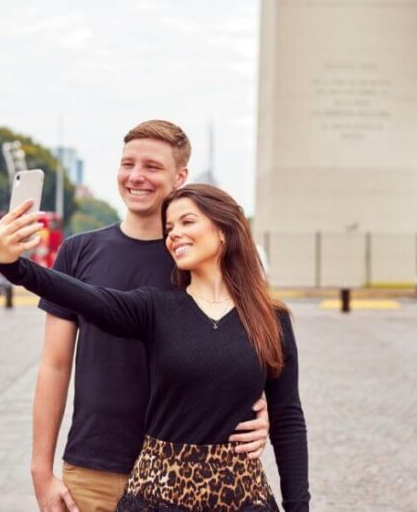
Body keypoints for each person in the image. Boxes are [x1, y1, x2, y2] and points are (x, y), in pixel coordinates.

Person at [0, 184, 309, 511]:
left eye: (187, 222)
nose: (174, 234)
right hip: (157, 498)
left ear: (224, 231)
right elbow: (80, 294)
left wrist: (299, 507)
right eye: (169, 228)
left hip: (243, 499)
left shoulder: (272, 319)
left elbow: (288, 419)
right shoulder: (153, 309)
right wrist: (13, 265)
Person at [30, 121, 270, 512]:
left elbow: (250, 348)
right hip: (94, 470)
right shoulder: (78, 252)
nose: (136, 176)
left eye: (152, 167)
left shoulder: (201, 256)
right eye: (128, 164)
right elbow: (55, 366)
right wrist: (41, 471)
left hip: (184, 474)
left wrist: (265, 411)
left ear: (180, 177)